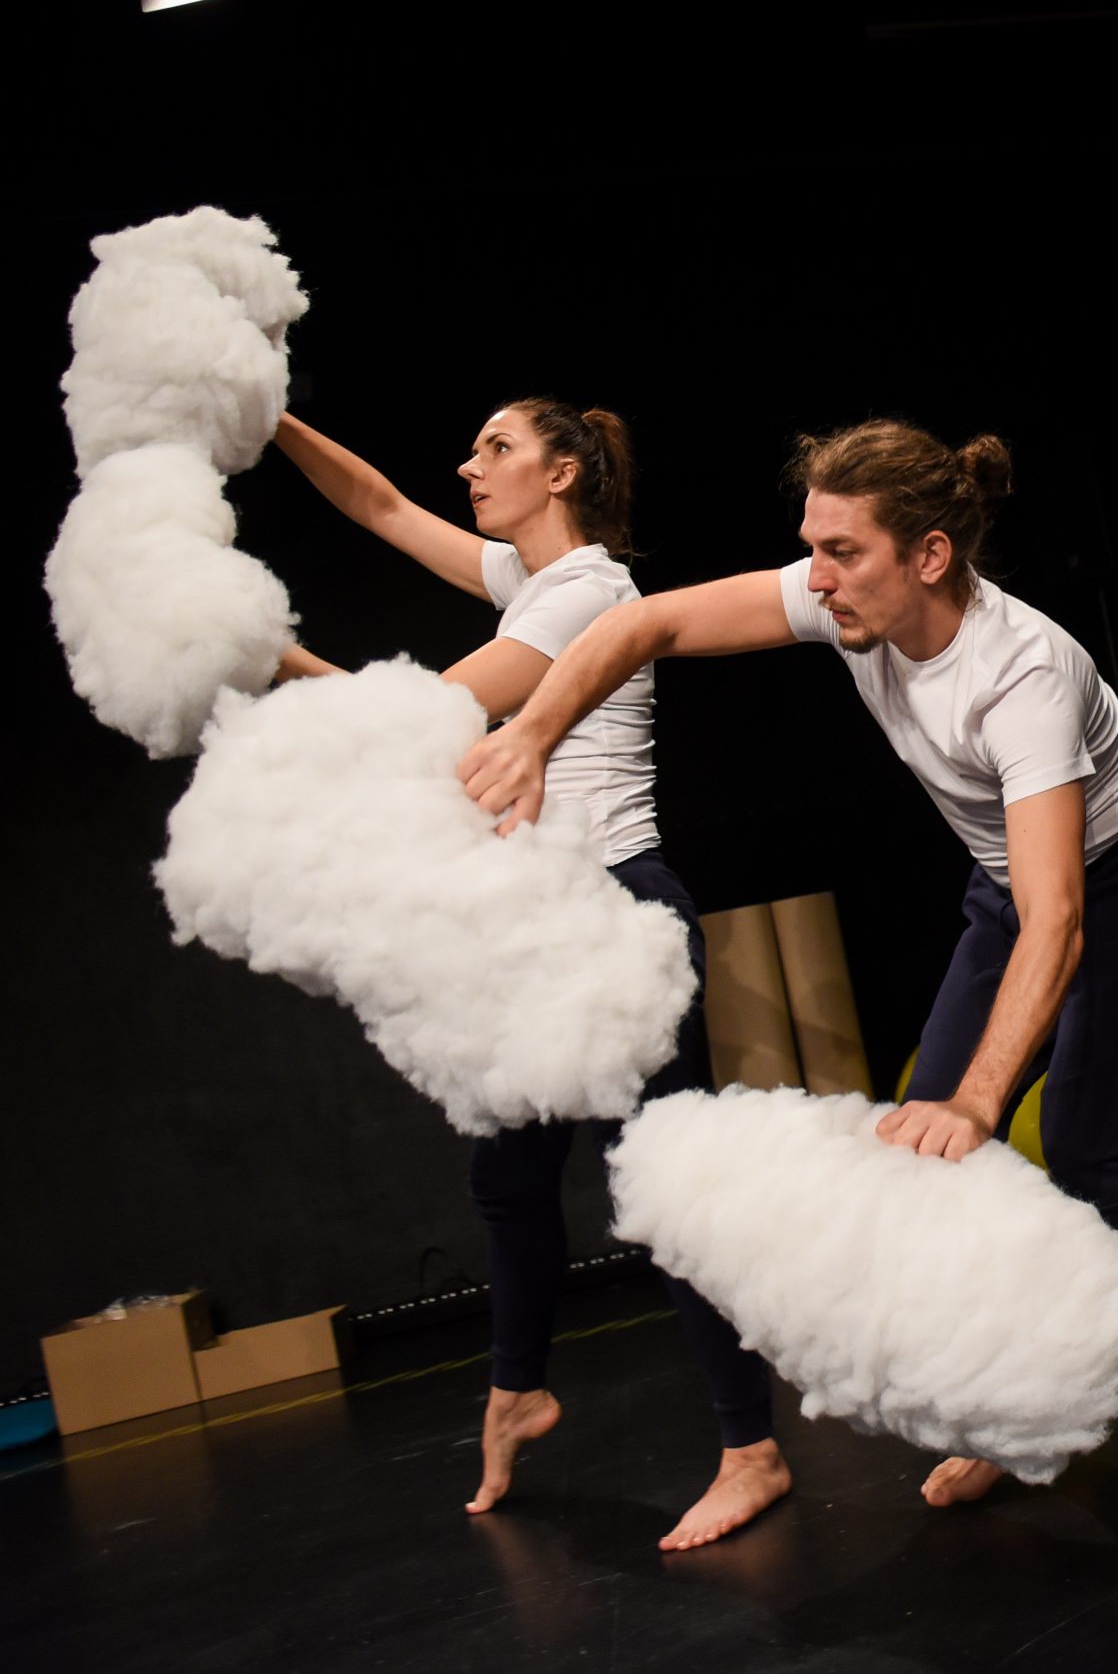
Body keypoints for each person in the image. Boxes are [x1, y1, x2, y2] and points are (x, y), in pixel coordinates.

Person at [455, 418, 1118, 1506]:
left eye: (842, 552)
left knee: (1085, 1140)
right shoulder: (844, 603)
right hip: (1010, 881)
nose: (817, 577)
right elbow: (642, 622)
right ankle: (1005, 1402)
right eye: (812, 549)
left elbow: (1058, 918)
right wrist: (531, 733)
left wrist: (980, 1098)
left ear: (929, 554)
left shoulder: (1019, 673)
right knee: (919, 1158)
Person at [269, 402, 789, 1551]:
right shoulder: (528, 579)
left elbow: (431, 722)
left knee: (664, 1192)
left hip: (617, 919)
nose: (469, 465)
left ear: (562, 473)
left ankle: (751, 1446)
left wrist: (273, 655)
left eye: (496, 448)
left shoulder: (587, 593)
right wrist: (268, 415)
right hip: (544, 927)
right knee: (507, 1177)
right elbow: (379, 504)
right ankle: (516, 1391)